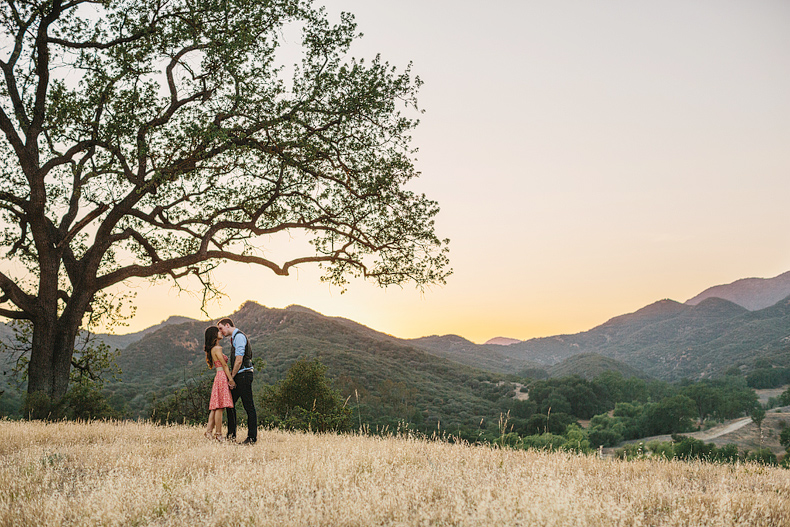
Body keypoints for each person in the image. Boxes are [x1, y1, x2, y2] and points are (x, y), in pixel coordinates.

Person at [218, 318, 258, 444]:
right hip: (240, 375)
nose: (221, 331)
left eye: (221, 328)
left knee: (248, 406)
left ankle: (251, 438)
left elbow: (239, 360)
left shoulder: (239, 337)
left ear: (227, 325)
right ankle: (231, 436)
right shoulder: (234, 338)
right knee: (230, 404)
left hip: (243, 375)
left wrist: (231, 378)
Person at [204, 326, 236, 441]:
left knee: (215, 406)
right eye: (218, 331)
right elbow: (225, 365)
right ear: (214, 335)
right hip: (222, 376)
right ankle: (218, 433)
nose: (221, 332)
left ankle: (209, 432)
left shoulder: (213, 349)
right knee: (220, 407)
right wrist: (231, 379)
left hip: (218, 376)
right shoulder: (217, 348)